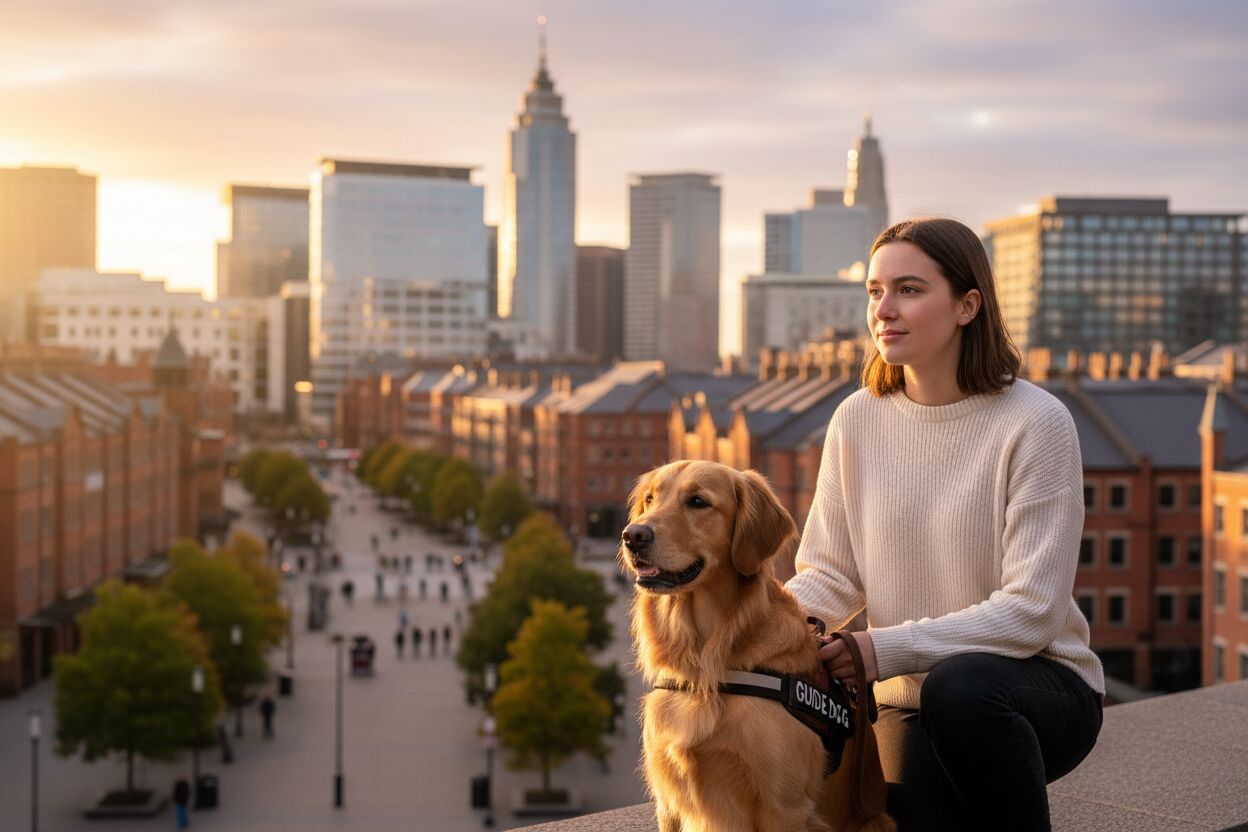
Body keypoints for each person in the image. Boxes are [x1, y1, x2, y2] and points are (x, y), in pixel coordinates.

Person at [785, 217, 1104, 832]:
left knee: (961, 689)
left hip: (1035, 684)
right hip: (905, 695)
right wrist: (754, 628)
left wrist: (879, 649)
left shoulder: (1036, 422)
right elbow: (829, 574)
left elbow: (1033, 610)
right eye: (875, 291)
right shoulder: (856, 419)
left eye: (908, 290)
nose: (884, 309)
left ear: (967, 306)